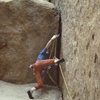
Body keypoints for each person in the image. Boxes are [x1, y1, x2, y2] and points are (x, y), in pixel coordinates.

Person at [27, 34, 64, 99]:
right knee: (53, 60)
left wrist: (53, 64)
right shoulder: (42, 53)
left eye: (47, 51)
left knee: (40, 84)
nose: (47, 51)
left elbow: (52, 65)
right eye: (47, 51)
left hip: (37, 70)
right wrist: (52, 39)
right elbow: (47, 46)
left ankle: (31, 91)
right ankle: (56, 60)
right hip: (38, 64)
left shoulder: (46, 58)